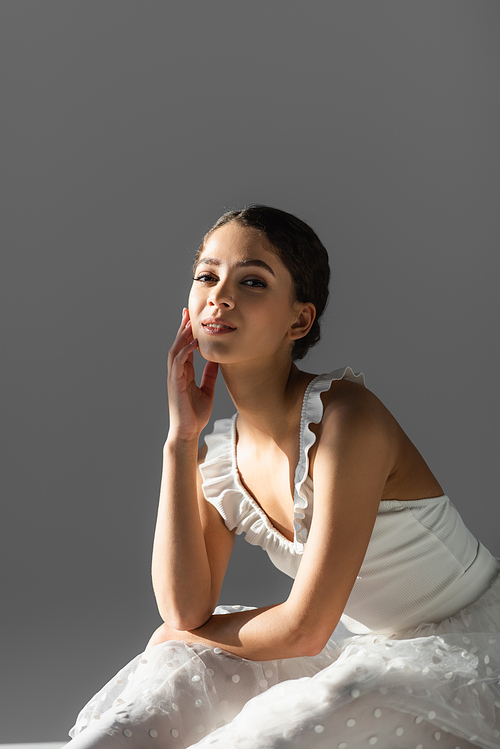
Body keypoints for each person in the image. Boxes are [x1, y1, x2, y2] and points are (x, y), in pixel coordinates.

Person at [65, 205, 500, 749]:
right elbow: (183, 608)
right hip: (351, 641)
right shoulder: (221, 458)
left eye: (251, 281)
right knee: (130, 720)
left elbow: (304, 628)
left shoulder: (348, 418)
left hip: (468, 649)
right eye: (206, 275)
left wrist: (186, 633)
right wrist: (181, 440)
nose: (218, 296)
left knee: (259, 736)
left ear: (299, 320)